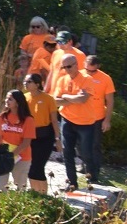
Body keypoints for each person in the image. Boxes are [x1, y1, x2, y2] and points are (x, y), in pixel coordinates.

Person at [52, 56, 103, 190]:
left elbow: (83, 99)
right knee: (67, 153)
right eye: (64, 67)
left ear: (76, 65)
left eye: (69, 66)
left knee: (86, 153)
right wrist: (73, 98)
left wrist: (65, 96)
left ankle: (93, 178)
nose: (66, 70)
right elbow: (55, 101)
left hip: (86, 123)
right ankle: (72, 182)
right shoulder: (62, 80)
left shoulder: (87, 79)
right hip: (67, 120)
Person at [23, 72, 61, 194]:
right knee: (30, 167)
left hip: (45, 136)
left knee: (38, 167)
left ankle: (43, 194)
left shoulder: (48, 99)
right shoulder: (25, 98)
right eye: (25, 81)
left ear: (37, 84)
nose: (25, 84)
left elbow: (54, 120)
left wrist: (58, 139)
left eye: (29, 82)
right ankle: (35, 193)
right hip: (30, 136)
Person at [0, 90, 36, 192]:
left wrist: (11, 155)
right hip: (4, 156)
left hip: (21, 157)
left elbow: (26, 143)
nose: (7, 101)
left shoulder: (28, 120)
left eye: (10, 99)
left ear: (18, 102)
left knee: (20, 188)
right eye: (6, 98)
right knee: (0, 187)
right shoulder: (2, 117)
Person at [86, 56, 117, 134]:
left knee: (95, 145)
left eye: (92, 71)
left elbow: (110, 101)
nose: (89, 73)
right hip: (79, 117)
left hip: (97, 118)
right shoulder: (79, 74)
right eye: (87, 70)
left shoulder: (106, 79)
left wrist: (107, 120)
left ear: (98, 66)